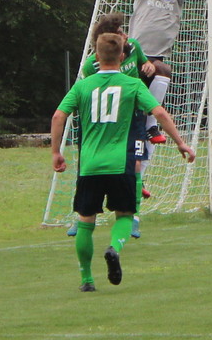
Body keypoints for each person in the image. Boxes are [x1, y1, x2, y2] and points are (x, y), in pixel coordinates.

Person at [50, 32, 194, 291]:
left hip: (90, 165)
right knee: (126, 216)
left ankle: (86, 280)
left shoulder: (83, 86)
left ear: (96, 56)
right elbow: (159, 112)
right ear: (123, 55)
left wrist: (56, 153)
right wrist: (181, 143)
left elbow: (58, 116)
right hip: (122, 164)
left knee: (85, 221)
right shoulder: (132, 84)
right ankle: (114, 248)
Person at [68, 13, 155, 239]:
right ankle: (83, 217)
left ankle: (133, 218)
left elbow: (145, 63)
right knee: (88, 162)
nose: (124, 35)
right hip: (99, 123)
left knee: (135, 164)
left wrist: (148, 66)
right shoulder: (91, 65)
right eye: (119, 33)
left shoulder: (133, 47)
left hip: (132, 117)